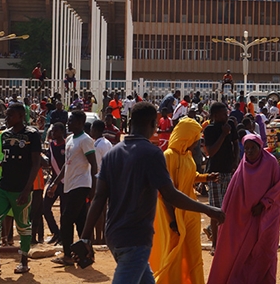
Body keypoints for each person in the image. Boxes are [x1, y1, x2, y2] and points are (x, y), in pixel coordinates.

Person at [72, 102, 225, 284]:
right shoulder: (152, 153)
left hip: (115, 235)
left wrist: (85, 237)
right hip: (136, 237)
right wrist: (208, 209)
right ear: (153, 124)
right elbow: (170, 194)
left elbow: (98, 199)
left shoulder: (112, 154)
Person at [149, 117, 218, 284]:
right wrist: (173, 220)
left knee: (194, 254)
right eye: (196, 138)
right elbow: (166, 191)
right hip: (172, 214)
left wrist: (206, 177)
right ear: (187, 137)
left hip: (191, 213)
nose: (197, 143)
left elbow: (190, 176)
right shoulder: (168, 156)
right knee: (173, 252)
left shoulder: (187, 156)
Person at [0, 103, 42, 275]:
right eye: (6, 115)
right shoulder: (4, 135)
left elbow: (36, 163)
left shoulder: (32, 135)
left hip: (21, 188)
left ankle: (24, 261)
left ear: (21, 116)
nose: (6, 118)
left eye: (10, 115)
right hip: (3, 186)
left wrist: (27, 190)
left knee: (23, 225)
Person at [208, 135, 280, 284]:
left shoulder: (270, 163)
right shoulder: (242, 168)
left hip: (266, 215)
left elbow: (278, 187)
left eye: (252, 148)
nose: (249, 152)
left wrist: (263, 204)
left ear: (259, 147)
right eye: (246, 148)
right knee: (241, 253)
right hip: (245, 219)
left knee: (265, 250)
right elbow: (233, 198)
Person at [47, 110, 98, 266]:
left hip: (81, 185)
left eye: (71, 121)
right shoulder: (70, 139)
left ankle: (68, 255)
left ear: (80, 123)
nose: (68, 123)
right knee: (81, 221)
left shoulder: (85, 140)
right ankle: (87, 254)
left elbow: (94, 165)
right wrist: (55, 183)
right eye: (68, 121)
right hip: (69, 185)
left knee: (66, 219)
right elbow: (66, 164)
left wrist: (93, 189)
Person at [202, 102, 239, 248]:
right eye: (223, 114)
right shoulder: (210, 130)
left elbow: (235, 144)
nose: (226, 116)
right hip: (215, 174)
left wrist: (235, 161)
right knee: (215, 210)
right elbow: (211, 152)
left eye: (226, 113)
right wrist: (223, 134)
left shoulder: (230, 126)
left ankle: (226, 242)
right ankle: (215, 244)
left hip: (228, 171)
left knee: (228, 208)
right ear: (215, 115)